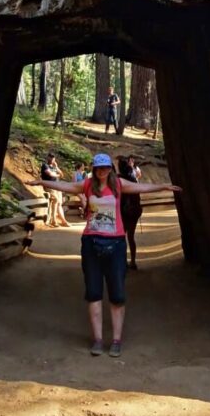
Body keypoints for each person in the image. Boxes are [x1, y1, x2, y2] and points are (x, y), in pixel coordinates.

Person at [40, 152, 181, 357]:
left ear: (110, 168)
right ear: (95, 169)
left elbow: (142, 187)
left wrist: (164, 186)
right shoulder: (88, 185)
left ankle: (116, 340)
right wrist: (43, 182)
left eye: (105, 167)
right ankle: (97, 340)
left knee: (117, 294)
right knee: (94, 293)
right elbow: (66, 186)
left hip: (115, 244)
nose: (102, 171)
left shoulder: (119, 185)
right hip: (91, 242)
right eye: (99, 168)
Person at [117, 156, 143, 270]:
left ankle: (123, 262)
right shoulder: (134, 179)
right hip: (134, 210)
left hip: (123, 211)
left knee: (122, 237)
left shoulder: (118, 180)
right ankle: (133, 261)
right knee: (131, 237)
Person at [40, 153, 70, 228]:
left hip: (57, 187)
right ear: (48, 157)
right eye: (51, 157)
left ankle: (63, 221)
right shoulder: (45, 166)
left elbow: (62, 174)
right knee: (55, 200)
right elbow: (50, 174)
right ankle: (53, 220)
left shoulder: (54, 166)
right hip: (49, 186)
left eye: (53, 158)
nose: (52, 159)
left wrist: (56, 167)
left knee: (59, 203)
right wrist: (57, 175)